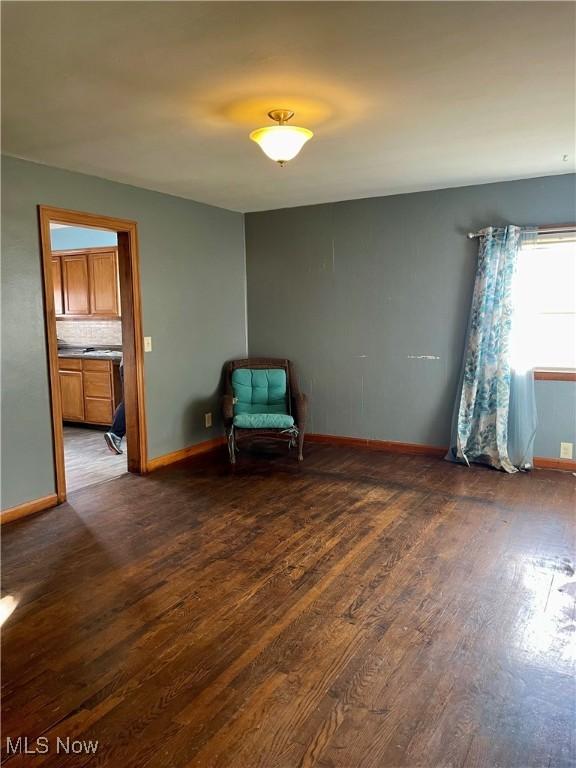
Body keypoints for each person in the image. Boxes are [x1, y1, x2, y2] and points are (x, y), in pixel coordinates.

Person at [104, 360, 125, 454]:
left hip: (126, 365)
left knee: (129, 401)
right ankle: (115, 434)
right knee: (131, 402)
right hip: (131, 366)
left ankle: (115, 433)